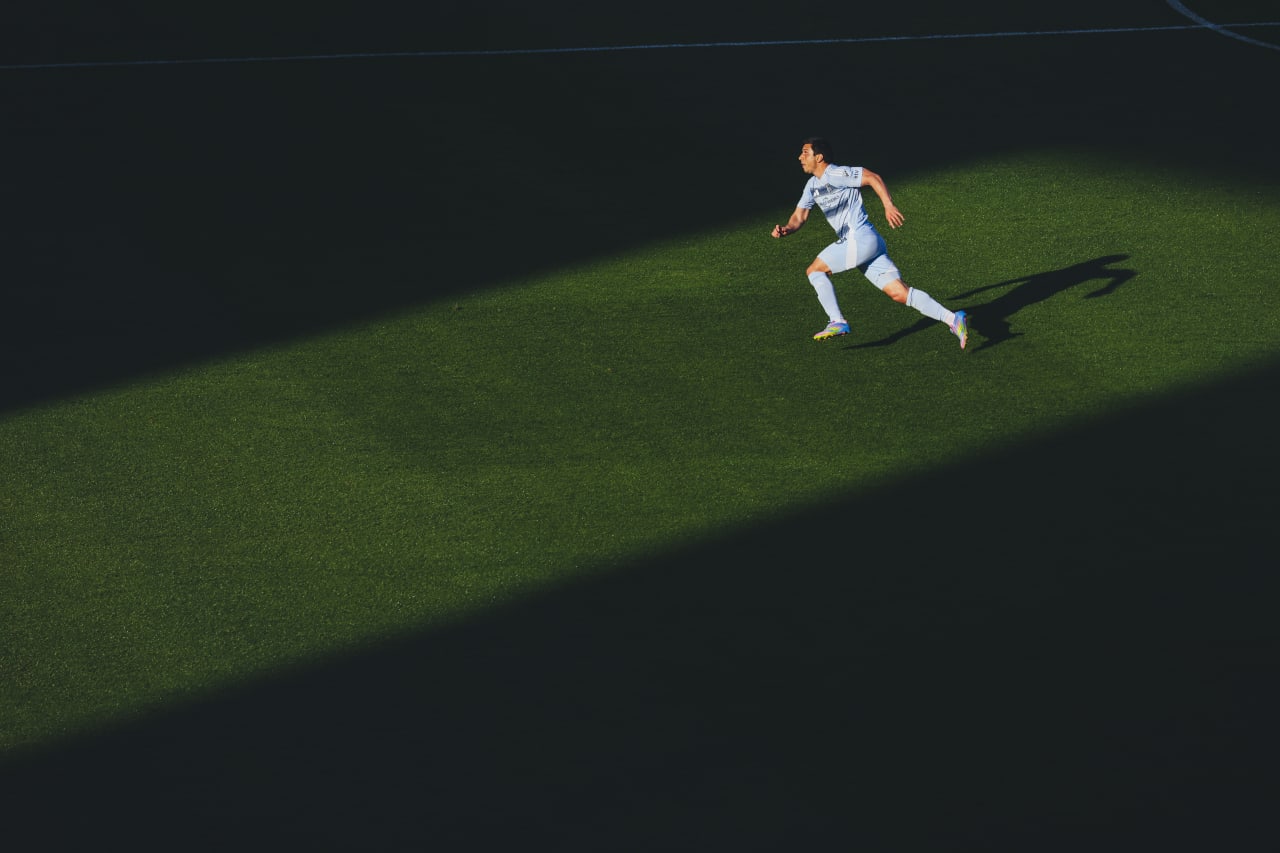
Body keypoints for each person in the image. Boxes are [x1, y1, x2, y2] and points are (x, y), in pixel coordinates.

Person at [771, 137, 968, 348]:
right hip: (867, 244)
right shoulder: (812, 185)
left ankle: (837, 321)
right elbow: (799, 216)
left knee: (814, 271)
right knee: (899, 293)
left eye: (805, 153)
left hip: (859, 238)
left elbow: (872, 177)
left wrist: (888, 206)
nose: (800, 157)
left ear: (819, 157)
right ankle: (953, 319)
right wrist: (787, 228)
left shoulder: (836, 173)